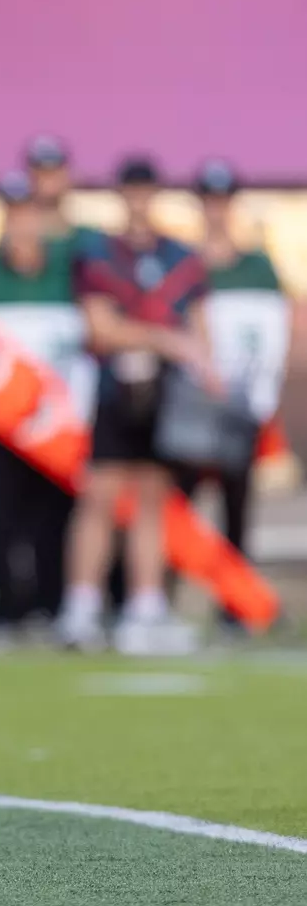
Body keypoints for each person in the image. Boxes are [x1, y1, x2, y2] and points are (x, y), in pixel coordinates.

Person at [58, 156, 215, 655]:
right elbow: (101, 329)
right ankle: (81, 606)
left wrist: (201, 366)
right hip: (115, 389)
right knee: (101, 496)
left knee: (153, 498)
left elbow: (199, 326)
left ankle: (144, 607)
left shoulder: (178, 257)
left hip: (164, 394)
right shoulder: (100, 254)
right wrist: (166, 341)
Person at [0, 171, 91, 633]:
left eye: (28, 214)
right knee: (2, 516)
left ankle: (52, 604)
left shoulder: (70, 272)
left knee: (54, 516)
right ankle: (6, 610)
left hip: (56, 422)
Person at [181, 159, 289, 627]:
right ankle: (160, 602)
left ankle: (235, 605)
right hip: (188, 405)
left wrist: (262, 398)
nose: (216, 210)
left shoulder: (258, 267)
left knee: (236, 510)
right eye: (209, 201)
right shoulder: (181, 264)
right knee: (177, 506)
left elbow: (273, 335)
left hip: (239, 405)